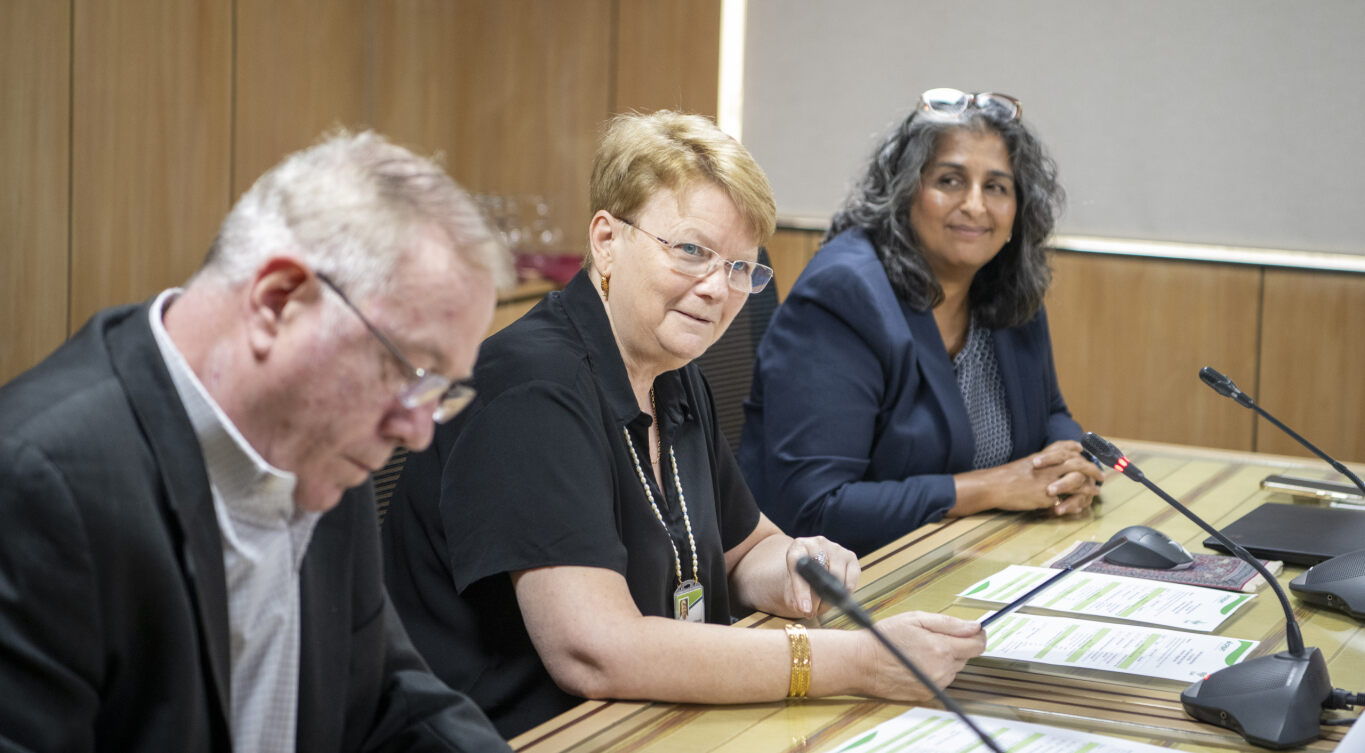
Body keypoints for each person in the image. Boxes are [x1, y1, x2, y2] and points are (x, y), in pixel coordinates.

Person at [381, 111, 985, 738]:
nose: (716, 290)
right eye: (693, 252)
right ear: (606, 240)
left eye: (739, 268)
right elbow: (596, 652)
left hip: (654, 720)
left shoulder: (670, 369)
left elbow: (743, 549)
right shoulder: (531, 388)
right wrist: (855, 660)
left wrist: (798, 566)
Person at [0, 131, 513, 752]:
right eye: (407, 369)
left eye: (438, 390)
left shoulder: (313, 451)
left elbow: (384, 694)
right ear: (278, 301)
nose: (418, 429)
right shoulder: (36, 480)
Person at [740, 89, 1104, 556]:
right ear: (905, 190)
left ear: (1018, 208)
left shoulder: (1007, 282)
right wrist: (990, 488)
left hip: (976, 552)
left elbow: (1051, 414)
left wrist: (1066, 465)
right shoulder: (844, 296)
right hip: (847, 578)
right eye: (950, 180)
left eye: (996, 187)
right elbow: (815, 507)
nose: (975, 205)